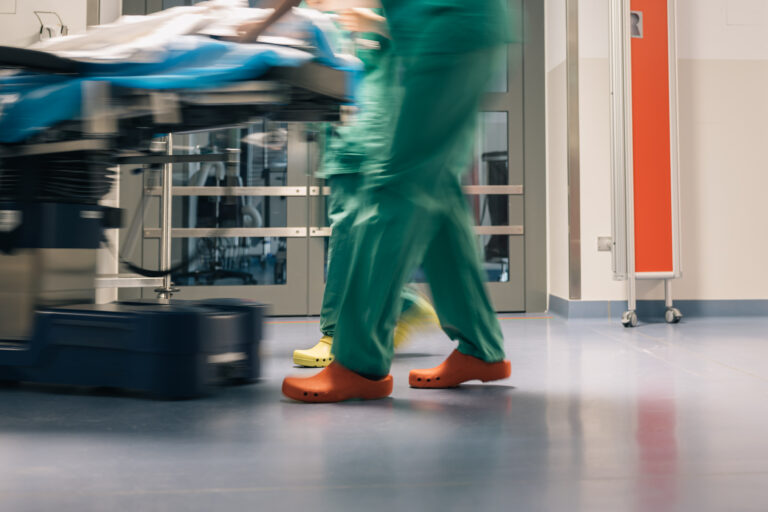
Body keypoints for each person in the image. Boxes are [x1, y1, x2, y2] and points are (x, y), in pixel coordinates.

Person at [239, 0, 517, 403]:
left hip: (449, 30)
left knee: (398, 188)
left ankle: (359, 363)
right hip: (449, 30)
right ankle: (481, 348)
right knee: (439, 198)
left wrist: (258, 26)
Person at [291, 4, 438, 369]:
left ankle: (336, 335)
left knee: (350, 236)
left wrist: (376, 23)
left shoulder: (382, 8)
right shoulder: (313, 9)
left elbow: (422, 39)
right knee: (354, 234)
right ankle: (401, 304)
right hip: (343, 135)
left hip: (374, 134)